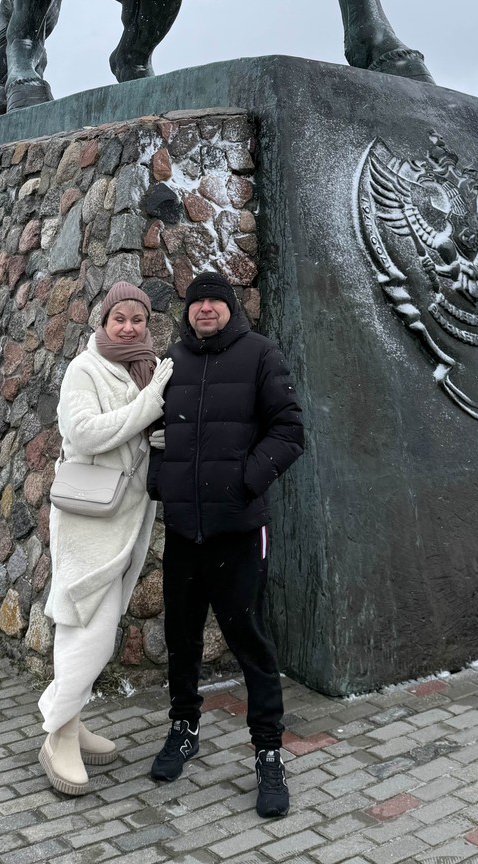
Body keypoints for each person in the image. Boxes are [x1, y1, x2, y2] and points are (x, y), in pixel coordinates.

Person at [146, 270, 304, 818]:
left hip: (238, 530)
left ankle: (268, 753)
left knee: (249, 640)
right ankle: (183, 727)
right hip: (184, 530)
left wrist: (245, 480)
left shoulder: (260, 355)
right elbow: (156, 433)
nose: (206, 308)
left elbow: (289, 430)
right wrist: (161, 482)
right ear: (188, 311)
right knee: (181, 637)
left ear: (230, 308)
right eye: (198, 301)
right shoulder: (172, 362)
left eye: (215, 300)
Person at [38, 281, 173, 795]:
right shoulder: (85, 368)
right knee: (85, 623)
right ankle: (57, 733)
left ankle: (71, 722)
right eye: (120, 318)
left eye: (138, 319)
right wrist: (149, 406)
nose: (129, 327)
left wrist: (159, 434)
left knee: (102, 622)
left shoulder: (144, 368)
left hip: (129, 514)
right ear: (103, 322)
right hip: (87, 517)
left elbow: (136, 435)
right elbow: (86, 433)